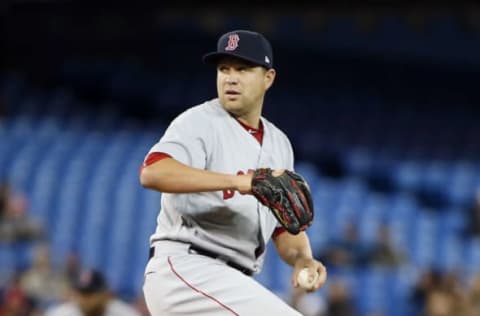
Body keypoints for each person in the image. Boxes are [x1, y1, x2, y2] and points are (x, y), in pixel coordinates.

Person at [140, 29, 327, 315]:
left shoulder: (279, 144)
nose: (230, 77)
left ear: (268, 78)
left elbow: (282, 222)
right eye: (223, 69)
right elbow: (153, 172)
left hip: (231, 281)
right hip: (188, 268)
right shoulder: (199, 122)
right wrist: (240, 182)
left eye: (243, 68)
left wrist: (303, 258)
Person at [44, 268, 141, 316]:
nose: (84, 299)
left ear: (104, 294)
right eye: (82, 293)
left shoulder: (124, 313)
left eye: (90, 293)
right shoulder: (62, 313)